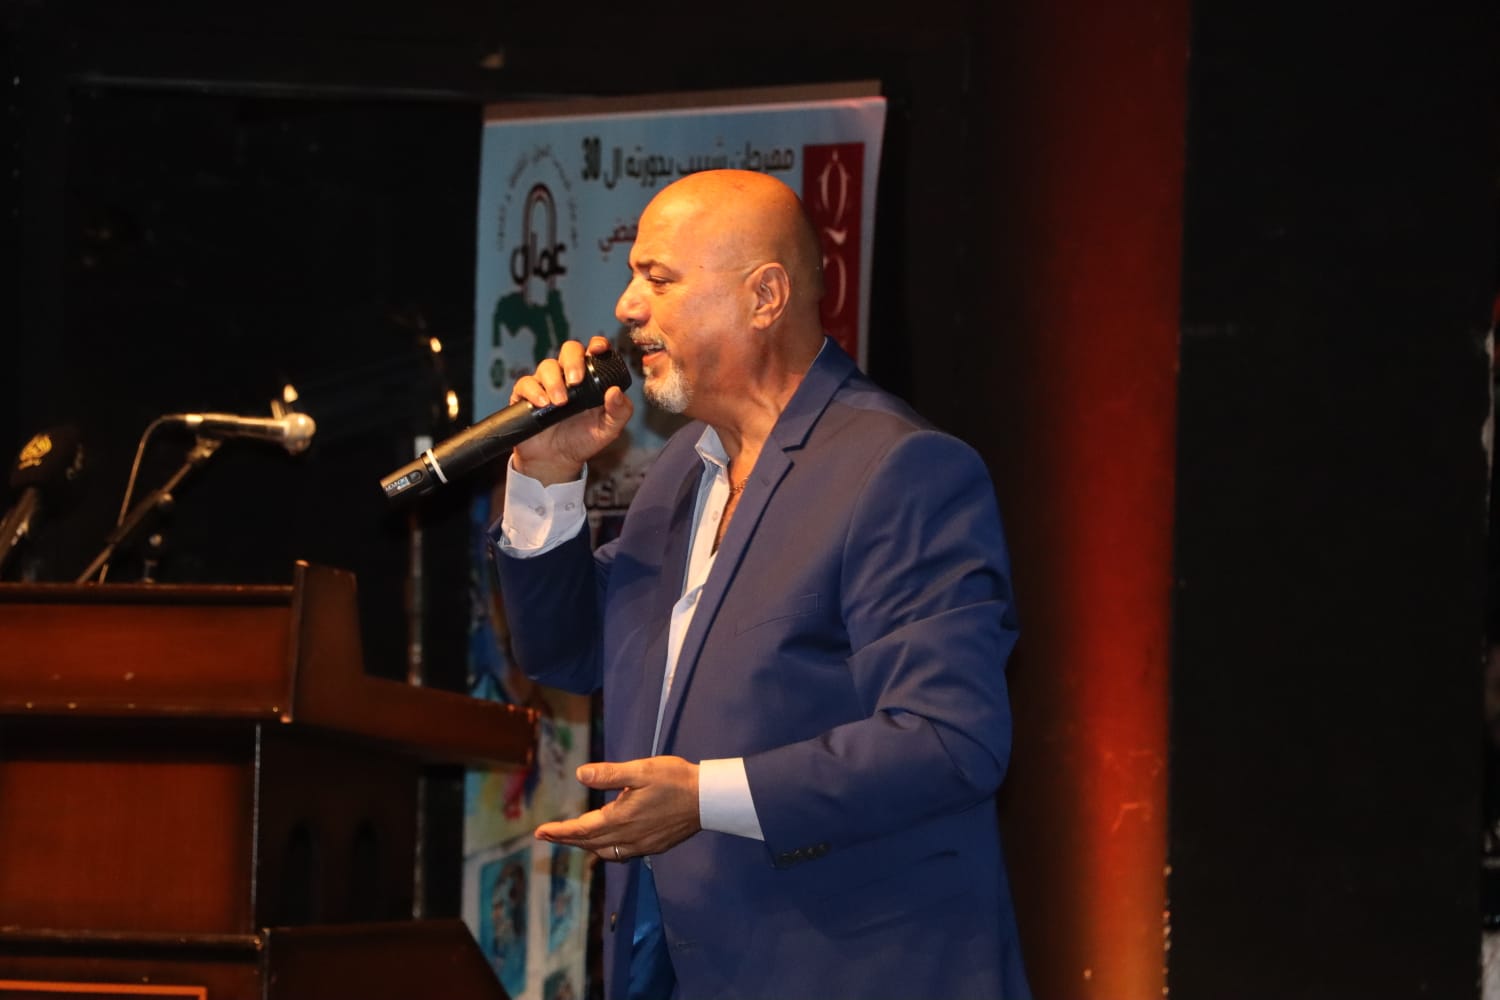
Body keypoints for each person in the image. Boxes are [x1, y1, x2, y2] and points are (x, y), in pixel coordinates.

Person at [488, 168, 1030, 1000]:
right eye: (633, 277)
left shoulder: (901, 469)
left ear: (765, 297)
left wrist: (706, 797)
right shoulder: (683, 469)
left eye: (658, 279)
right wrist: (546, 475)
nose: (627, 306)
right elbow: (570, 652)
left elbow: (949, 740)